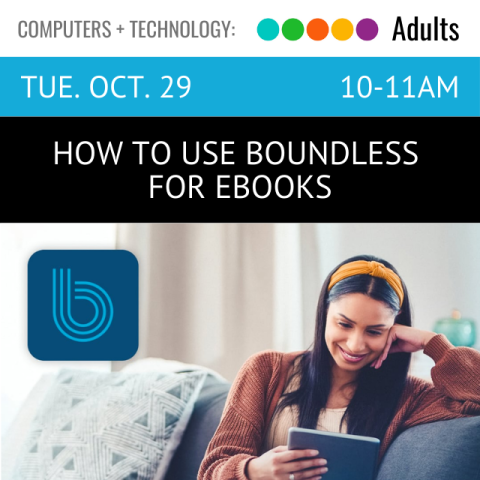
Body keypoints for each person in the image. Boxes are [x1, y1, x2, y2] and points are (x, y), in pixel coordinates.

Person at [198, 254, 480, 480]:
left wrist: (432, 343)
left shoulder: (411, 396)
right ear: (324, 314)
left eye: (374, 331)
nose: (355, 345)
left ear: (394, 329)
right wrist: (254, 470)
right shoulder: (266, 370)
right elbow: (211, 469)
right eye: (344, 324)